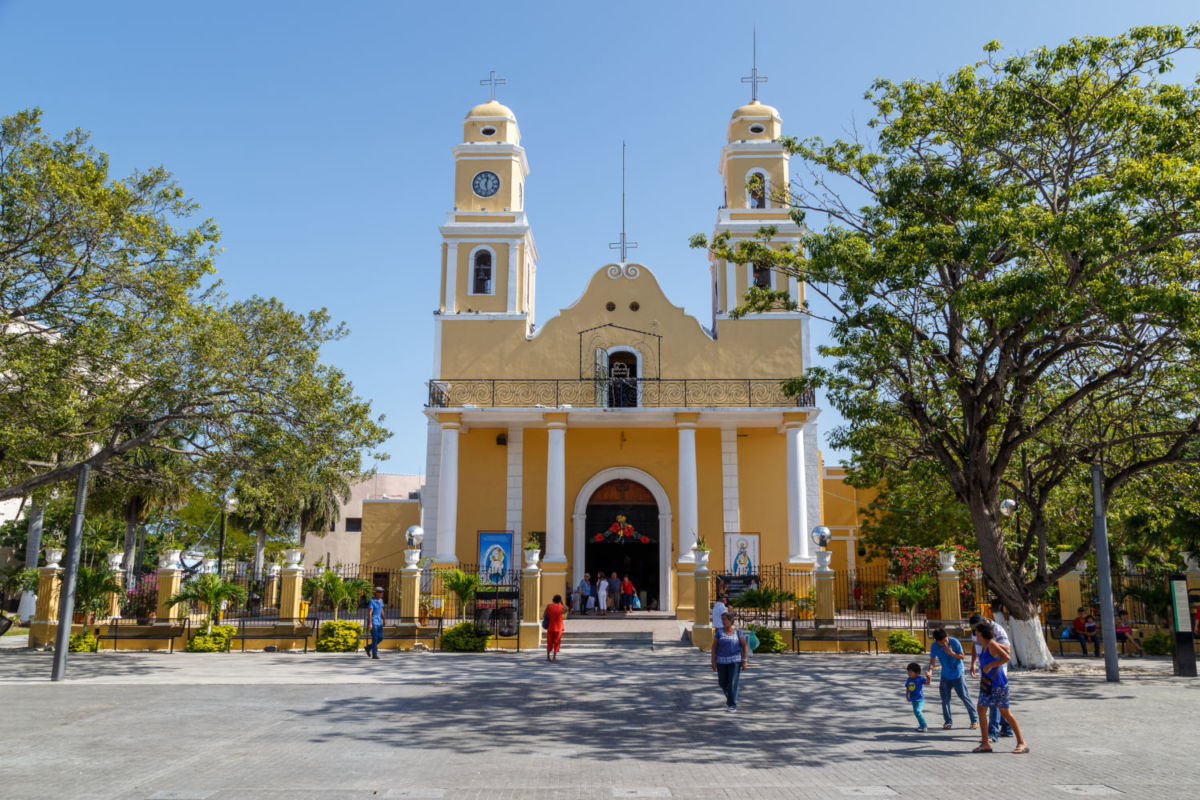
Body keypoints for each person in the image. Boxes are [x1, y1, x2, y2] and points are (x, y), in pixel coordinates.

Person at [972, 622, 1029, 754]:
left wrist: (992, 665)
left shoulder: (992, 644)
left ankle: (1022, 743)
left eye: (976, 631)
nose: (975, 634)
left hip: (998, 684)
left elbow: (1006, 657)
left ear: (980, 633)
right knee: (981, 710)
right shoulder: (984, 645)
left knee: (1005, 713)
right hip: (987, 683)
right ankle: (985, 743)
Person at [968, 613, 1013, 741]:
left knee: (993, 704)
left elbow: (1007, 651)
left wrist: (992, 643)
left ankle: (992, 734)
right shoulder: (977, 631)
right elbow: (974, 646)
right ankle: (1007, 729)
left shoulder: (997, 630)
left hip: (997, 670)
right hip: (985, 669)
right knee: (999, 706)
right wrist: (973, 663)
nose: (976, 634)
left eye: (977, 631)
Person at [926, 628, 978, 730]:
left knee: (964, 697)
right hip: (945, 675)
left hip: (958, 673)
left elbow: (962, 657)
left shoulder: (955, 642)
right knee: (945, 699)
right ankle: (948, 721)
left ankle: (974, 720)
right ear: (936, 641)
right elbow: (932, 660)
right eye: (941, 642)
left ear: (948, 636)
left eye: (945, 640)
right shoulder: (934, 646)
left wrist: (951, 653)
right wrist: (930, 672)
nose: (944, 643)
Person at [710, 611, 749, 711]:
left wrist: (744, 660)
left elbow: (744, 645)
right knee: (722, 682)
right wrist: (713, 661)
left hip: (735, 661)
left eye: (725, 619)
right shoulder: (719, 632)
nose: (723, 621)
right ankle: (730, 698)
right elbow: (714, 646)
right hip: (721, 661)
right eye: (722, 619)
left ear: (731, 620)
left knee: (732, 682)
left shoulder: (737, 631)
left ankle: (732, 704)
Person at [905, 662, 928, 732]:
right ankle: (921, 725)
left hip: (920, 699)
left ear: (917, 673)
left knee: (918, 711)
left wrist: (929, 677)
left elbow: (928, 683)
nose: (909, 673)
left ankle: (924, 725)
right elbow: (908, 688)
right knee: (916, 712)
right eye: (908, 672)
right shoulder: (909, 679)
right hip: (913, 699)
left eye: (911, 672)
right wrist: (907, 695)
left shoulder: (920, 678)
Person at [544, 593, 565, 662]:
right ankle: (554, 657)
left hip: (550, 626)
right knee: (557, 642)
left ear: (553, 600)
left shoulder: (549, 606)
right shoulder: (561, 607)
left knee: (549, 642)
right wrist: (562, 602)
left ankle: (548, 657)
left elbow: (544, 614)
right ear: (559, 600)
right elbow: (567, 609)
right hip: (558, 627)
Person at [365, 587, 385, 659]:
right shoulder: (372, 601)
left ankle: (368, 647)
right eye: (380, 592)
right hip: (373, 622)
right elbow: (370, 613)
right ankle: (374, 655)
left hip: (379, 622)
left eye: (382, 592)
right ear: (376, 593)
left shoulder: (381, 600)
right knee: (375, 638)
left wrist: (384, 619)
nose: (381, 594)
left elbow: (381, 609)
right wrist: (370, 623)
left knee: (381, 637)